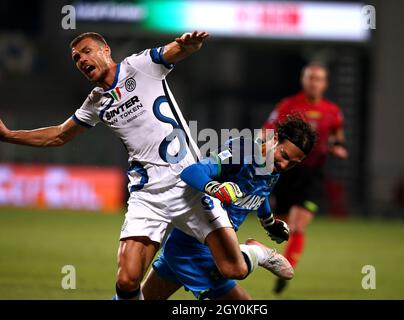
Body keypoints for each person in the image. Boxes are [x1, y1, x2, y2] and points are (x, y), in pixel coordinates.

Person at [0, 31, 284, 300]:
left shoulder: (140, 65)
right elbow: (60, 134)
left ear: (105, 50)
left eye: (86, 52)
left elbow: (176, 51)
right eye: (76, 58)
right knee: (126, 281)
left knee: (233, 269)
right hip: (148, 197)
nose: (82, 60)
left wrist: (188, 45)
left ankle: (257, 252)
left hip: (191, 188)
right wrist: (9, 135)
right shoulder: (96, 102)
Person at [141, 116, 317, 300]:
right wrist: (216, 188)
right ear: (274, 140)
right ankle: (258, 253)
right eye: (284, 155)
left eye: (293, 163)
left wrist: (269, 222)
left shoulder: (273, 169)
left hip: (201, 247)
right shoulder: (242, 151)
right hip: (194, 244)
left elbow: (260, 193)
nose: (285, 165)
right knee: (238, 275)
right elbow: (191, 172)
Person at [262, 63, 348, 294]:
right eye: (310, 78)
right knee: (281, 227)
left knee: (300, 225)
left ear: (325, 83)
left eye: (319, 79)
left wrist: (337, 146)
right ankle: (273, 258)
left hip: (313, 175)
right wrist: (262, 149)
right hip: (287, 172)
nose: (314, 82)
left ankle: (286, 268)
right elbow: (267, 130)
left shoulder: (332, 110)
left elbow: (337, 133)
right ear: (304, 80)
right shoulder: (289, 105)